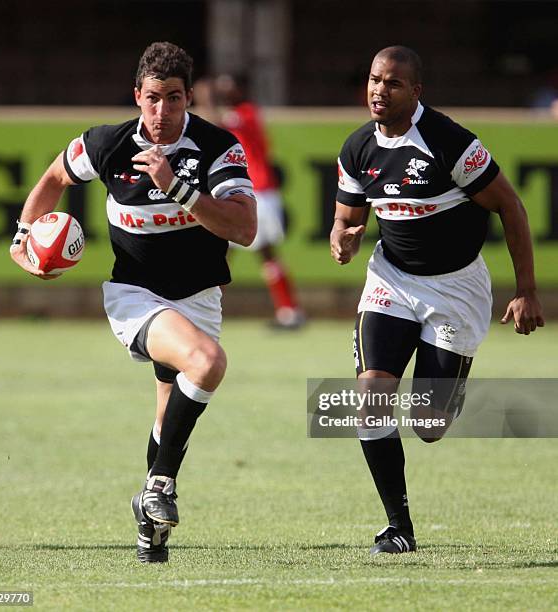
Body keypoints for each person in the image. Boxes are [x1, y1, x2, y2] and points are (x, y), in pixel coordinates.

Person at [10, 41, 257, 563]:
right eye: (152, 98)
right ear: (136, 97)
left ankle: (149, 522)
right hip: (135, 296)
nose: (162, 111)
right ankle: (161, 486)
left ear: (190, 98)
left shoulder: (218, 147)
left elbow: (245, 227)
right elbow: (55, 177)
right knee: (208, 362)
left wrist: (179, 189)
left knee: (170, 416)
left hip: (199, 298)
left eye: (173, 98)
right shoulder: (107, 144)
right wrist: (22, 238)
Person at [330, 46, 544, 555]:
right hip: (391, 281)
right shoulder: (358, 147)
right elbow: (345, 217)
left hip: (456, 290)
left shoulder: (450, 143)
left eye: (394, 84)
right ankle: (398, 526)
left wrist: (527, 290)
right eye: (374, 80)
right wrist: (344, 236)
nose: (380, 91)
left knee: (428, 425)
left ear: (416, 92)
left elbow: (510, 206)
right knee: (371, 398)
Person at [207, 73, 305, 329]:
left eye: (229, 87)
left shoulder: (246, 113)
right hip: (248, 193)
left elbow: (214, 122)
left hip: (257, 193)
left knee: (260, 254)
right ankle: (289, 311)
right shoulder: (239, 114)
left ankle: (290, 312)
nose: (224, 91)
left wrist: (205, 99)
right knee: (229, 254)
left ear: (241, 89)